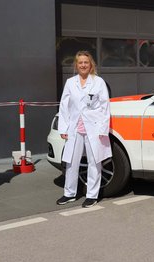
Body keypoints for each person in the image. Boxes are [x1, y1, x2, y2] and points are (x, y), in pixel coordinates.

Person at [56, 50, 112, 208]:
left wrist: (103, 128)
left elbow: (105, 105)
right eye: (80, 62)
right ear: (76, 65)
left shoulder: (98, 82)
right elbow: (64, 106)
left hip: (93, 127)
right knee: (71, 162)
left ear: (91, 64)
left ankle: (92, 195)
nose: (83, 65)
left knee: (95, 161)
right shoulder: (70, 82)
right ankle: (69, 193)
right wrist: (63, 128)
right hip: (75, 127)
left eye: (86, 62)